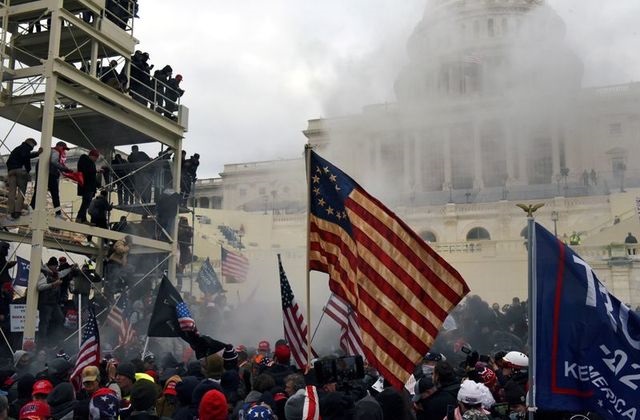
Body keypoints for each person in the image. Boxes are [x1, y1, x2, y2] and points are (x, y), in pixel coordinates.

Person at [30, 141, 72, 219]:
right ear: (59, 146)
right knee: (55, 193)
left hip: (43, 173)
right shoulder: (56, 152)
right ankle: (58, 213)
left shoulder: (48, 151)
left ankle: (31, 208)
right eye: (64, 148)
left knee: (38, 191)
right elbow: (54, 161)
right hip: (50, 174)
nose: (64, 151)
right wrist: (64, 169)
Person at [6, 138, 43, 219]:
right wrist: (37, 153)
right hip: (20, 171)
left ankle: (10, 212)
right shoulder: (25, 148)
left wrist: (10, 171)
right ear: (30, 143)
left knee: (11, 193)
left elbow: (8, 162)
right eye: (33, 145)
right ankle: (17, 211)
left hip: (11, 171)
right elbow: (25, 157)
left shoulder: (16, 149)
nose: (33, 147)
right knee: (21, 192)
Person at [76, 149, 100, 223]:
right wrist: (96, 171)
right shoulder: (84, 160)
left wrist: (98, 184)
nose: (96, 159)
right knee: (86, 202)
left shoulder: (91, 163)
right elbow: (86, 171)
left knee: (86, 203)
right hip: (86, 186)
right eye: (95, 157)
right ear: (92, 156)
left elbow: (92, 176)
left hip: (89, 186)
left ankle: (83, 219)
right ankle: (79, 217)